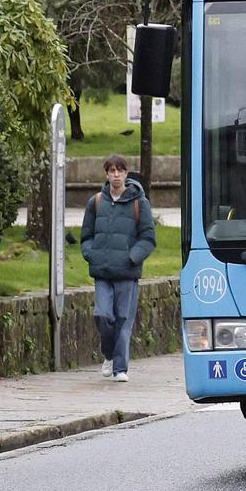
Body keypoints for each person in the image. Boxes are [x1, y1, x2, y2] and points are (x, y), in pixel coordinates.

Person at [81, 154, 156, 382]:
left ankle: (120, 368)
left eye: (120, 170)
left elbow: (148, 238)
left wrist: (132, 258)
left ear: (126, 173)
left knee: (123, 319)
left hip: (126, 272)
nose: (116, 175)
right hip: (102, 271)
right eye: (112, 171)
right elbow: (86, 236)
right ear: (106, 174)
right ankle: (109, 355)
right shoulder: (96, 202)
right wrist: (92, 254)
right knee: (102, 315)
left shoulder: (139, 203)